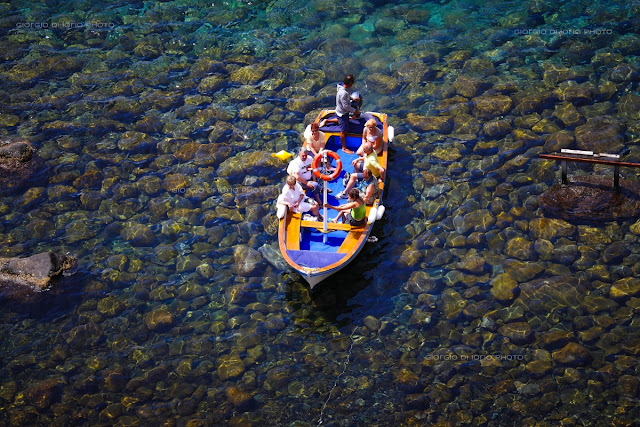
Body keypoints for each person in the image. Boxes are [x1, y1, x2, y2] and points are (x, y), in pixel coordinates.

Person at [333, 75, 359, 154]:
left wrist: (351, 98)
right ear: (350, 83)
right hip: (342, 113)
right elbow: (346, 106)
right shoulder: (343, 92)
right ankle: (344, 148)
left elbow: (345, 98)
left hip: (341, 111)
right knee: (343, 131)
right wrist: (355, 111)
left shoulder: (342, 88)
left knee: (343, 123)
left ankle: (327, 121)